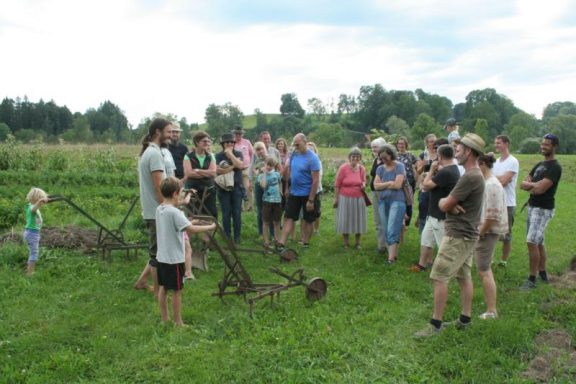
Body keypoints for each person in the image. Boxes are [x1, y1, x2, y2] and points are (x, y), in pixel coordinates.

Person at [414, 133, 486, 337]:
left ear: (469, 151)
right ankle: (465, 319)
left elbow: (444, 203)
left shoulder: (470, 176)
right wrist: (450, 205)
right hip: (468, 234)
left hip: (457, 235)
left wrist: (445, 204)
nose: (456, 153)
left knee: (439, 276)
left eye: (460, 149)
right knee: (464, 276)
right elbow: (451, 204)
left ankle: (434, 325)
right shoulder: (475, 174)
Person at [155, 177, 216, 326]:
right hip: (174, 259)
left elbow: (179, 225)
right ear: (175, 194)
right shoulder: (175, 213)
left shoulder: (160, 209)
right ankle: (178, 322)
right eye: (182, 192)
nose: (182, 195)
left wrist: (190, 222)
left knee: (163, 288)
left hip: (161, 257)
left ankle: (165, 319)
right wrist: (210, 227)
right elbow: (191, 230)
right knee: (177, 291)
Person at [134, 118, 173, 296]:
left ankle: (142, 282)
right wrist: (167, 207)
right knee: (157, 254)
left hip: (152, 209)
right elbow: (159, 187)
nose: (171, 135)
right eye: (168, 132)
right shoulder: (155, 154)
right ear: (158, 132)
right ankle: (158, 291)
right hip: (156, 210)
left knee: (156, 250)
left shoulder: (150, 151)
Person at [520, 133, 562, 290]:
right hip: (532, 206)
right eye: (542, 144)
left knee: (531, 241)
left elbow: (540, 189)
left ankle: (532, 279)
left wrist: (531, 185)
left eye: (547, 144)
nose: (543, 146)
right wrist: (532, 185)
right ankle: (543, 274)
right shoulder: (539, 165)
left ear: (554, 147)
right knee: (539, 242)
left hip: (543, 208)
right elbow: (524, 184)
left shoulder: (555, 167)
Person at [409, 144, 460, 272]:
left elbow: (425, 186)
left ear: (440, 155)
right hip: (433, 214)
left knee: (444, 246)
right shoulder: (452, 169)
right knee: (426, 240)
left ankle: (448, 270)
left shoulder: (446, 172)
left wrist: (431, 170)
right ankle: (422, 265)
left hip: (440, 216)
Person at [475, 153, 508, 319]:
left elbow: (492, 217)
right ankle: (490, 308)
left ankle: (491, 310)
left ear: (482, 164)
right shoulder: (487, 183)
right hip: (484, 231)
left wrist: (480, 233)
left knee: (484, 270)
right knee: (482, 269)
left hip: (487, 233)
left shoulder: (492, 185)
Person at [276, 133, 321, 250]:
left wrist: (311, 200)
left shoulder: (313, 158)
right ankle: (281, 243)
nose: (295, 147)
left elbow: (315, 180)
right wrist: (287, 188)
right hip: (294, 193)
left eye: (298, 144)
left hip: (308, 194)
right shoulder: (294, 155)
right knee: (288, 217)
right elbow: (290, 172)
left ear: (305, 142)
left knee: (308, 219)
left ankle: (306, 243)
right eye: (294, 144)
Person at [373, 144, 407, 264]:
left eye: (385, 157)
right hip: (383, 201)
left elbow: (398, 185)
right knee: (386, 228)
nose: (383, 160)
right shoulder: (380, 168)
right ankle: (393, 254)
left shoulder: (399, 166)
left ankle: (391, 259)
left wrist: (383, 184)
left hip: (397, 201)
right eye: (381, 158)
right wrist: (389, 183)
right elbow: (375, 186)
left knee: (392, 228)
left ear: (391, 155)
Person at [492, 135, 519, 267]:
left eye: (499, 143)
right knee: (491, 231)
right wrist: (497, 178)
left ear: (506, 144)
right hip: (494, 201)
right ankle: (490, 259)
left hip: (507, 203)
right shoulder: (496, 162)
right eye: (495, 143)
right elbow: (490, 178)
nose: (496, 145)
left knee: (506, 234)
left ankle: (503, 260)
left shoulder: (513, 161)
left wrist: (494, 178)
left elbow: (504, 181)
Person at [333, 147, 367, 249]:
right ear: (349, 157)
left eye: (357, 156)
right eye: (353, 156)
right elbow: (337, 184)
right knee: (345, 219)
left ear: (360, 158)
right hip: (345, 198)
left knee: (359, 220)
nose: (355, 158)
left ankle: (357, 243)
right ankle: (346, 243)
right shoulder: (343, 168)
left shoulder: (362, 168)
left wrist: (364, 184)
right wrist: (336, 198)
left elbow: (364, 180)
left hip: (359, 198)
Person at [216, 132, 245, 244]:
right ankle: (227, 236)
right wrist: (234, 165)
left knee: (237, 213)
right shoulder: (218, 156)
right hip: (223, 188)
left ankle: (237, 236)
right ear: (223, 144)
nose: (229, 144)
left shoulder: (238, 153)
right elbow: (219, 170)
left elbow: (241, 165)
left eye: (231, 142)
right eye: (226, 142)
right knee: (226, 213)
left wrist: (230, 155)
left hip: (237, 187)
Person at [183, 131, 218, 218]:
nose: (207, 143)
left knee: (210, 214)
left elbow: (213, 173)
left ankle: (208, 231)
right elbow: (188, 173)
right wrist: (207, 173)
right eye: (204, 141)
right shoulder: (188, 156)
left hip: (208, 190)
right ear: (197, 142)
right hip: (192, 190)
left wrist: (198, 170)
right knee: (192, 214)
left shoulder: (211, 156)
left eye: (208, 141)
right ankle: (193, 231)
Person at [23, 187, 51, 275]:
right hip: (32, 233)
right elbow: (33, 209)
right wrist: (40, 202)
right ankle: (30, 273)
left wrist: (45, 199)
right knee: (34, 254)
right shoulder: (32, 207)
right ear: (37, 199)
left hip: (32, 233)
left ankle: (29, 270)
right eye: (41, 199)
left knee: (33, 252)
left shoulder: (33, 207)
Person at [258, 157, 283, 250]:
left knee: (277, 222)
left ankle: (277, 241)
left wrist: (281, 191)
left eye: (271, 165)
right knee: (266, 222)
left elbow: (280, 183)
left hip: (277, 201)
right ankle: (266, 242)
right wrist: (264, 173)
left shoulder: (276, 174)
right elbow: (263, 186)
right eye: (267, 164)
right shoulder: (261, 176)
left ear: (273, 166)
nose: (269, 167)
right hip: (267, 201)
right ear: (265, 164)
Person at [395, 136, 418, 239]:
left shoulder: (411, 155)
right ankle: (400, 223)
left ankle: (406, 223)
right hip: (398, 183)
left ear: (406, 144)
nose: (400, 145)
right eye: (399, 143)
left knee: (409, 203)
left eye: (402, 143)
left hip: (410, 183)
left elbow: (417, 168)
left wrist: (417, 179)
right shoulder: (394, 155)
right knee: (400, 203)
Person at [415, 134, 438, 234]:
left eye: (435, 141)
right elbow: (418, 171)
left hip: (437, 183)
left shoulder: (439, 153)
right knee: (423, 206)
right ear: (427, 143)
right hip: (425, 183)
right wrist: (423, 165)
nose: (434, 143)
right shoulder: (423, 155)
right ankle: (423, 231)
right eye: (431, 141)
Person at [369, 137, 387, 253]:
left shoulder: (386, 161)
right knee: (377, 220)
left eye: (375, 147)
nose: (373, 149)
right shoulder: (376, 160)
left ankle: (387, 245)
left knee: (385, 218)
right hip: (375, 193)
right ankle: (381, 245)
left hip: (384, 193)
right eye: (372, 147)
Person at [233, 125, 254, 211]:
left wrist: (252, 166)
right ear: (234, 134)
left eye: (240, 134)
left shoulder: (247, 142)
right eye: (237, 134)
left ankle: (250, 206)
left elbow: (252, 154)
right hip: (236, 169)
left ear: (242, 134)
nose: (238, 135)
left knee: (248, 187)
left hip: (246, 168)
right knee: (238, 188)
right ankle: (240, 207)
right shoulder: (232, 143)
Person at [250, 141, 269, 236]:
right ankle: (261, 232)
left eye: (261, 149)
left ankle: (272, 232)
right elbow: (255, 171)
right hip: (258, 185)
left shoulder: (270, 158)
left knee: (269, 208)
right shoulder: (257, 160)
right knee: (260, 208)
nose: (260, 151)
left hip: (269, 186)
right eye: (257, 150)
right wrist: (257, 171)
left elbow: (276, 170)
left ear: (265, 149)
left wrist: (262, 170)